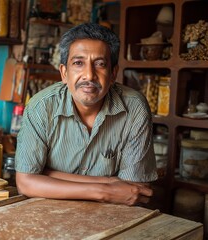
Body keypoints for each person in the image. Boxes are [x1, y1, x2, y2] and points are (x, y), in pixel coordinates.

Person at [15, 23, 158, 206]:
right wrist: (106, 188)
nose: (89, 75)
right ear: (64, 73)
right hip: (49, 214)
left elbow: (134, 192)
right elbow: (25, 183)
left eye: (99, 64)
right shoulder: (41, 106)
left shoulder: (134, 108)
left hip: (111, 218)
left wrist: (47, 174)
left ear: (113, 73)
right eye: (78, 63)